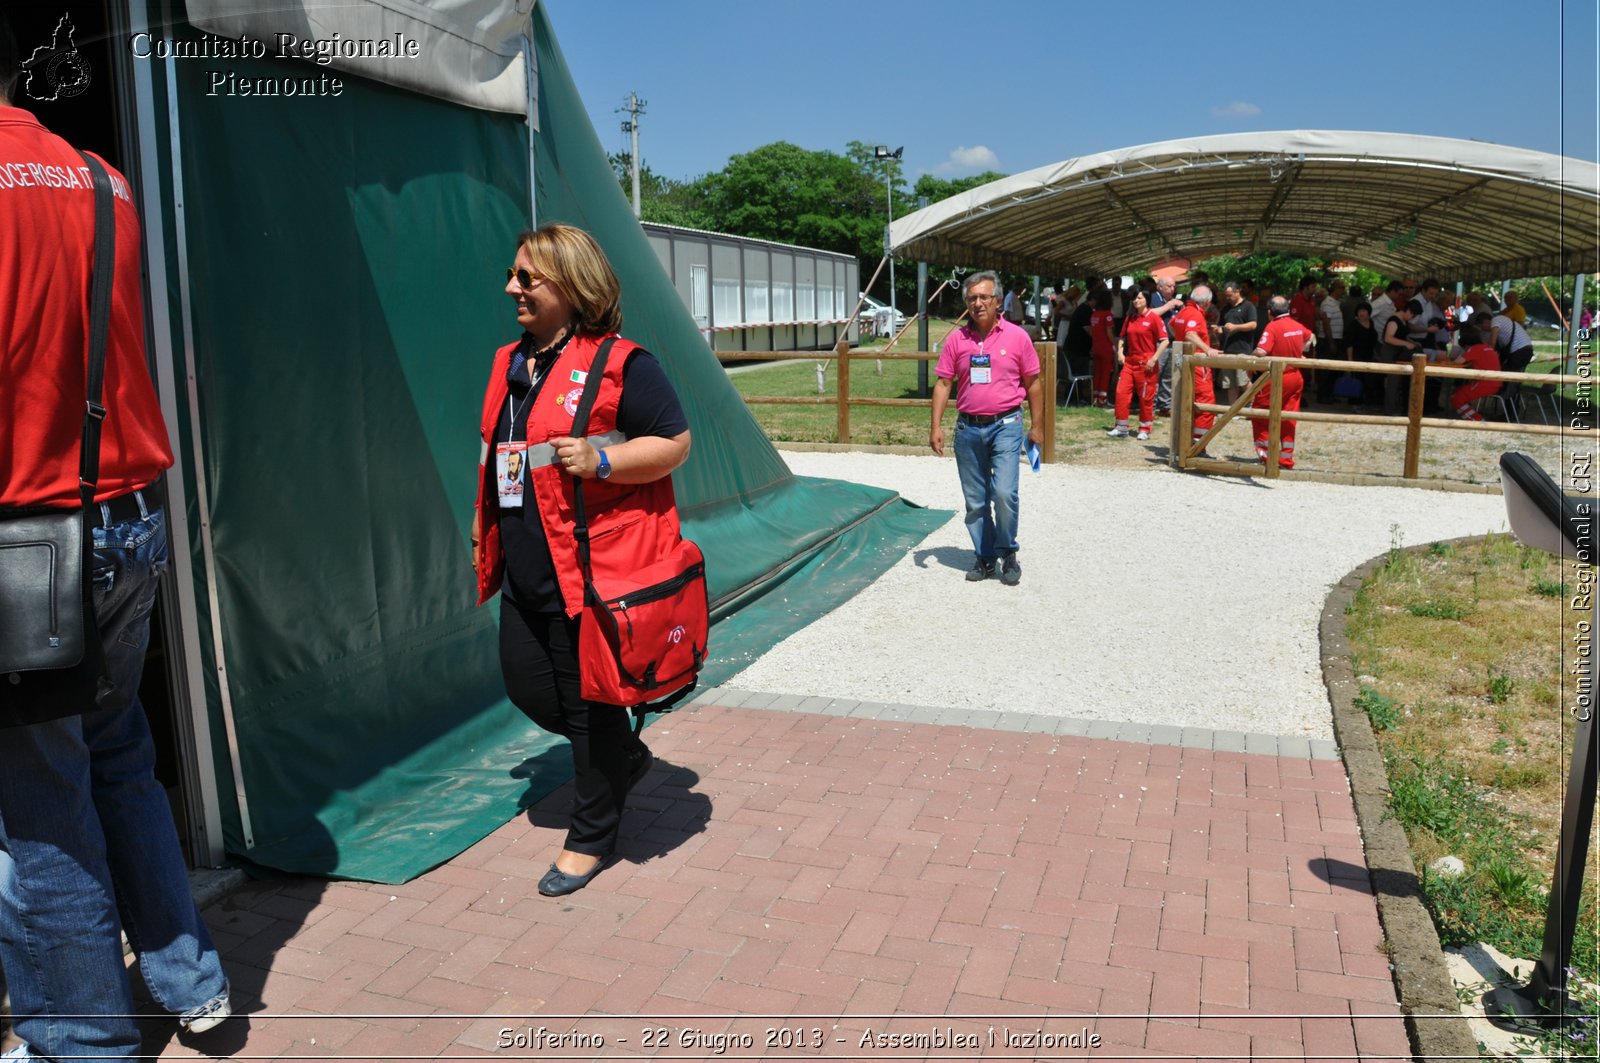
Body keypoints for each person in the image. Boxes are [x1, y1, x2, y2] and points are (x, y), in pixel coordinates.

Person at [0, 17, 232, 1058]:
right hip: (128, 518)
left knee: (37, 810)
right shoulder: (103, 179)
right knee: (119, 753)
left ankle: (85, 1042)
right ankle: (193, 983)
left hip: (24, 541)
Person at [472, 223, 691, 896]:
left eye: (526, 278)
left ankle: (591, 835)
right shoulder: (511, 361)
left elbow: (674, 441)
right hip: (523, 566)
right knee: (529, 685)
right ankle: (623, 753)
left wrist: (602, 457)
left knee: (589, 701)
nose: (511, 287)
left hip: (586, 572)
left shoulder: (622, 363)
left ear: (571, 286)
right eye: (512, 274)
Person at [930, 271, 1044, 586]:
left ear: (997, 301)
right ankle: (984, 557)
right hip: (968, 430)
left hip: (1007, 425)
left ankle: (1007, 553)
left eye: (984, 297)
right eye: (972, 298)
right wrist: (936, 426)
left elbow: (1033, 384)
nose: (978, 303)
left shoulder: (1017, 336)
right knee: (976, 500)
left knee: (1004, 493)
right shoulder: (958, 340)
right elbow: (943, 383)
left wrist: (1038, 427)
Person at [1250, 295, 1314, 468]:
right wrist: (1301, 351)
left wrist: (1250, 357)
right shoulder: (1296, 325)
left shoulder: (1273, 327)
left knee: (1260, 414)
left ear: (1269, 312)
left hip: (1277, 377)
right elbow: (1311, 337)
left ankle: (1266, 456)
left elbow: (1262, 351)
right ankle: (1286, 458)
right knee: (1288, 416)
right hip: (1296, 377)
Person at [1107, 288, 1166, 440]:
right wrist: (1120, 353)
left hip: (1146, 362)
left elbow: (1165, 340)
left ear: (1146, 299)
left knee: (1145, 396)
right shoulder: (1130, 318)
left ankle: (1145, 428)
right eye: (1134, 298)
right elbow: (1122, 337)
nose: (1136, 301)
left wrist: (1154, 359)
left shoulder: (1154, 318)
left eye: (1139, 298)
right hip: (1130, 361)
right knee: (1121, 392)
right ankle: (1121, 427)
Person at [1171, 285, 1218, 453]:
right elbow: (1190, 333)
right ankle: (1198, 446)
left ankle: (1185, 443)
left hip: (1183, 364)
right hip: (1198, 366)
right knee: (1206, 405)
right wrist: (1207, 349)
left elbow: (1172, 325)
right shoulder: (1195, 314)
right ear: (1207, 302)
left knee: (1186, 402)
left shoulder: (1183, 312)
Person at [1445, 325, 1502, 420]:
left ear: (1467, 345)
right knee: (1458, 392)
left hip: (1484, 383)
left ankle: (1477, 420)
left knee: (1456, 398)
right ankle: (1471, 416)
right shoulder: (1486, 347)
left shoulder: (1474, 349)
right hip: (1494, 383)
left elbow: (1456, 362)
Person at [1216, 281, 1258, 406]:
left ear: (1237, 292)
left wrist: (1236, 327)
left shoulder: (1249, 306)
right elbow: (1222, 326)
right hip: (1228, 350)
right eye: (1226, 296)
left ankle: (1255, 404)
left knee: (1243, 381)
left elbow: (1253, 324)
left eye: (1230, 295)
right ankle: (1233, 409)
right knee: (1230, 383)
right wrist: (1219, 329)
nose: (1228, 298)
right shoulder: (1225, 309)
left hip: (1243, 350)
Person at [1380, 299, 1423, 415]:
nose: (1412, 317)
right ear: (1408, 310)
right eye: (1413, 314)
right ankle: (1389, 410)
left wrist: (1412, 343)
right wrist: (1406, 343)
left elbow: (1402, 336)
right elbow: (1388, 338)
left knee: (1398, 382)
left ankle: (1397, 408)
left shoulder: (1403, 321)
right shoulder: (1393, 320)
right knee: (1393, 382)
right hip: (1390, 353)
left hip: (1399, 353)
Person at [1088, 289, 1116, 407]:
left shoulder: (1094, 314)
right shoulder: (1108, 315)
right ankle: (1102, 399)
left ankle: (1095, 398)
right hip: (1105, 347)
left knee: (1097, 373)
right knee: (1105, 373)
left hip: (1096, 346)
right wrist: (1115, 343)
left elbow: (1091, 331)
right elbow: (1109, 332)